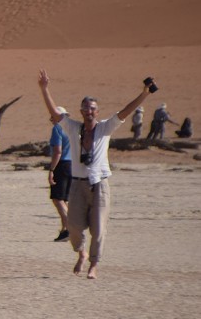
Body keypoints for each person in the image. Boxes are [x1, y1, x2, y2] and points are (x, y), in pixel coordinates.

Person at [37, 69, 156, 279]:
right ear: (81, 111)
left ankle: (93, 264)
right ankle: (81, 253)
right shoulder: (73, 128)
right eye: (85, 108)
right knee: (73, 226)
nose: (89, 111)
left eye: (92, 109)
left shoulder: (105, 128)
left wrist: (145, 93)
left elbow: (127, 110)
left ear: (97, 111)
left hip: (99, 184)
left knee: (99, 229)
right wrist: (45, 89)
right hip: (77, 184)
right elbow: (55, 114)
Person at [48, 107, 72, 242]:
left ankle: (69, 228)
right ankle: (64, 230)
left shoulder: (57, 128)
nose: (51, 119)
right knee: (65, 199)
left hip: (62, 164)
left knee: (58, 199)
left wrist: (51, 169)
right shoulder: (72, 129)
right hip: (73, 165)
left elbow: (58, 151)